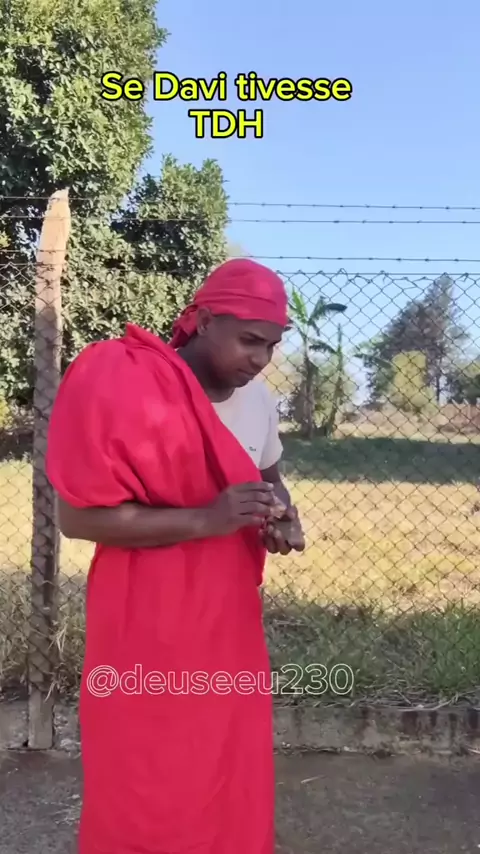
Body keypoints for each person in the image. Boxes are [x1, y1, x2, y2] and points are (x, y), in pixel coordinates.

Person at [46, 258, 305, 854]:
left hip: (228, 619)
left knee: (225, 766)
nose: (261, 359)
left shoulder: (259, 402)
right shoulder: (127, 385)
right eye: (249, 340)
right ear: (205, 320)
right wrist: (207, 519)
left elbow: (269, 480)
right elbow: (77, 519)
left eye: (271, 345)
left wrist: (280, 518)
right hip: (142, 620)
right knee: (144, 775)